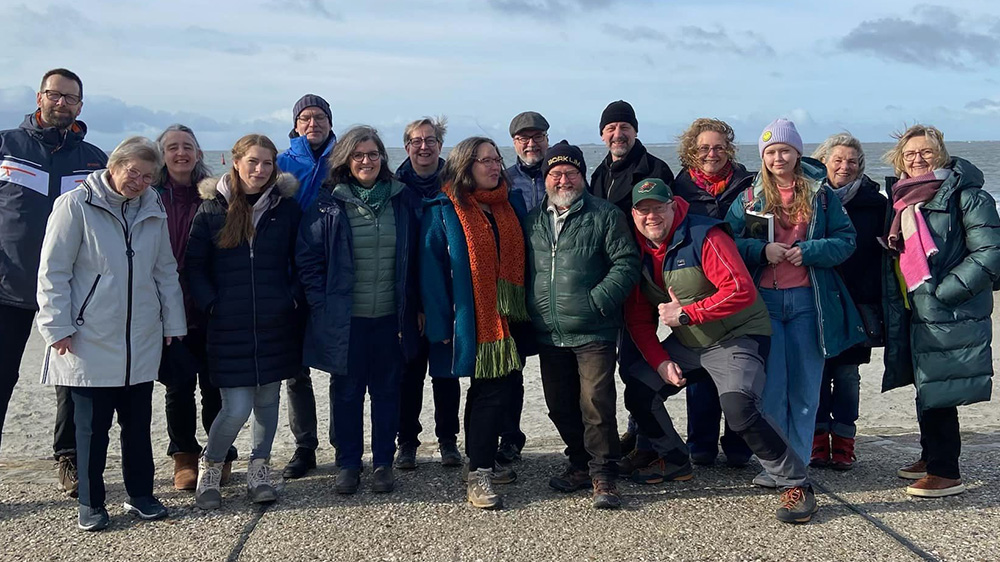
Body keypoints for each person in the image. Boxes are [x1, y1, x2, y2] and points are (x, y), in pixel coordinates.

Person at [623, 177, 819, 523]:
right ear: (634, 215)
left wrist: (686, 314)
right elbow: (639, 322)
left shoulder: (705, 235)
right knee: (639, 388)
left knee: (739, 407)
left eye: (658, 208)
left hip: (738, 335)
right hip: (689, 343)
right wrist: (660, 362)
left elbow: (741, 290)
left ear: (673, 206)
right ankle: (675, 460)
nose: (651, 216)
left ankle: (796, 483)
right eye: (643, 210)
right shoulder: (637, 251)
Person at [35, 136, 186, 531]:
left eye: (148, 176)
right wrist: (57, 327)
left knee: (137, 425)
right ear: (114, 166)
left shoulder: (153, 207)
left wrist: (173, 324)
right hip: (89, 336)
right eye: (132, 171)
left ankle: (140, 495)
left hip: (140, 335)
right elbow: (54, 272)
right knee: (90, 428)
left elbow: (164, 271)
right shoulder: (74, 205)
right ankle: (91, 501)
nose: (138, 181)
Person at [725, 119, 864, 480]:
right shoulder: (748, 196)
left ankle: (798, 466)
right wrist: (761, 250)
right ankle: (776, 466)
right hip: (765, 303)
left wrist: (811, 251)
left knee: (805, 389)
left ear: (797, 153)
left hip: (809, 302)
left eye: (784, 150)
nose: (777, 158)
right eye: (770, 152)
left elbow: (847, 240)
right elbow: (726, 243)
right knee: (770, 391)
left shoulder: (821, 194)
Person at [0, 68, 106, 497]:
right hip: (9, 286)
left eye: (71, 98)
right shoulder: (6, 145)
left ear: (80, 105)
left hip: (70, 292)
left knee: (72, 381)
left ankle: (69, 459)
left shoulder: (95, 160)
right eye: (54, 95)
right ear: (40, 97)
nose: (62, 103)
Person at [297, 126, 420, 495]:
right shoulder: (328, 203)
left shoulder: (402, 198)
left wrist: (414, 307)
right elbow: (308, 260)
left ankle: (383, 462)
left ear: (383, 158)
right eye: (359, 155)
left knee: (386, 392)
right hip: (346, 320)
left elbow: (414, 259)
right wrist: (322, 305)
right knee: (347, 393)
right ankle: (348, 463)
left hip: (389, 317)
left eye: (373, 154)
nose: (366, 161)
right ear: (346, 160)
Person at [881, 125, 1000, 498]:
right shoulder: (903, 198)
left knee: (941, 385)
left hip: (949, 309)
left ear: (942, 155)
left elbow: (990, 254)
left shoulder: (968, 197)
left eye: (926, 153)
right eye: (911, 154)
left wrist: (943, 293)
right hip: (914, 306)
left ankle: (946, 471)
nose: (918, 160)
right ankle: (930, 454)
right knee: (925, 383)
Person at [185, 134, 303, 509]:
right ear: (235, 162)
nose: (260, 169)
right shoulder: (211, 209)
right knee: (235, 407)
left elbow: (303, 260)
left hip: (275, 320)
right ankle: (212, 466)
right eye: (253, 161)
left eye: (267, 163)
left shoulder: (285, 209)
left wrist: (291, 298)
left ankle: (259, 469)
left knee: (268, 400)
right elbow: (194, 267)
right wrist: (212, 305)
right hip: (228, 323)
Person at [526, 141, 639, 509]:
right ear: (546, 179)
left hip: (594, 330)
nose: (563, 179)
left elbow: (626, 263)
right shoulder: (533, 220)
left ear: (582, 177)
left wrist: (597, 301)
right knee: (559, 405)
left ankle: (604, 474)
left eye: (570, 172)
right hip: (549, 330)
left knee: (596, 402)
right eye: (555, 173)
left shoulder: (605, 215)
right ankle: (579, 463)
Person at [421, 136, 531, 510]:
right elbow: (431, 274)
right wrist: (440, 327)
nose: (494, 166)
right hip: (471, 318)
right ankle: (480, 471)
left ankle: (482, 459)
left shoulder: (508, 204)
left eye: (497, 159)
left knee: (497, 386)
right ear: (465, 166)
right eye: (485, 160)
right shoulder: (444, 209)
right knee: (491, 389)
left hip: (510, 315)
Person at [666, 118, 755, 469]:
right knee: (701, 368)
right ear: (692, 151)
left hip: (741, 281)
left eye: (718, 147)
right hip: (696, 285)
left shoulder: (747, 183)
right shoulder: (680, 186)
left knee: (737, 370)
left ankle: (738, 445)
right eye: (703, 148)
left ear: (729, 148)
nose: (711, 153)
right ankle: (700, 442)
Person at [153, 124, 237, 490]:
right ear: (162, 155)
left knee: (215, 385)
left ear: (199, 153)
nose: (181, 153)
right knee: (177, 385)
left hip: (208, 301)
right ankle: (184, 456)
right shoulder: (151, 195)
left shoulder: (214, 195)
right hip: (166, 304)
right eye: (172, 147)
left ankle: (220, 454)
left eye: (187, 146)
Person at [810, 133, 887, 470]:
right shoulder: (808, 197)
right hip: (814, 298)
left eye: (852, 161)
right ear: (823, 160)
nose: (845, 166)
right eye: (837, 160)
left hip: (856, 302)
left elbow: (882, 257)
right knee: (815, 373)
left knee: (846, 374)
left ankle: (843, 441)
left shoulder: (876, 203)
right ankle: (815, 440)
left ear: (861, 166)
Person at [393, 117, 462, 470]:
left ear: (440, 145)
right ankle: (406, 442)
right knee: (409, 372)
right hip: (407, 294)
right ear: (406, 147)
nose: (424, 146)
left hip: (448, 293)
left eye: (431, 140)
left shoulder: (455, 184)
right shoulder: (395, 187)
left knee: (446, 373)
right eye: (416, 141)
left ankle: (448, 439)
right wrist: (413, 303)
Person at [276, 94, 337, 480]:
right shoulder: (282, 161)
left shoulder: (344, 158)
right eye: (305, 117)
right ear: (296, 124)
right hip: (288, 271)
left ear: (330, 121)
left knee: (338, 363)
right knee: (295, 370)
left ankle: (343, 443)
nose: (313, 122)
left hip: (334, 271)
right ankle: (305, 446)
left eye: (320, 116)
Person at [589, 100, 674, 216]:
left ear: (635, 132)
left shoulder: (657, 170)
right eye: (611, 128)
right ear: (602, 135)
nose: (618, 135)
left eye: (624, 127)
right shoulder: (598, 175)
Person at [506, 111, 550, 211]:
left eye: (538, 137)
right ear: (514, 142)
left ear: (547, 139)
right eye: (524, 138)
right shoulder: (504, 180)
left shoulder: (562, 177)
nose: (531, 144)